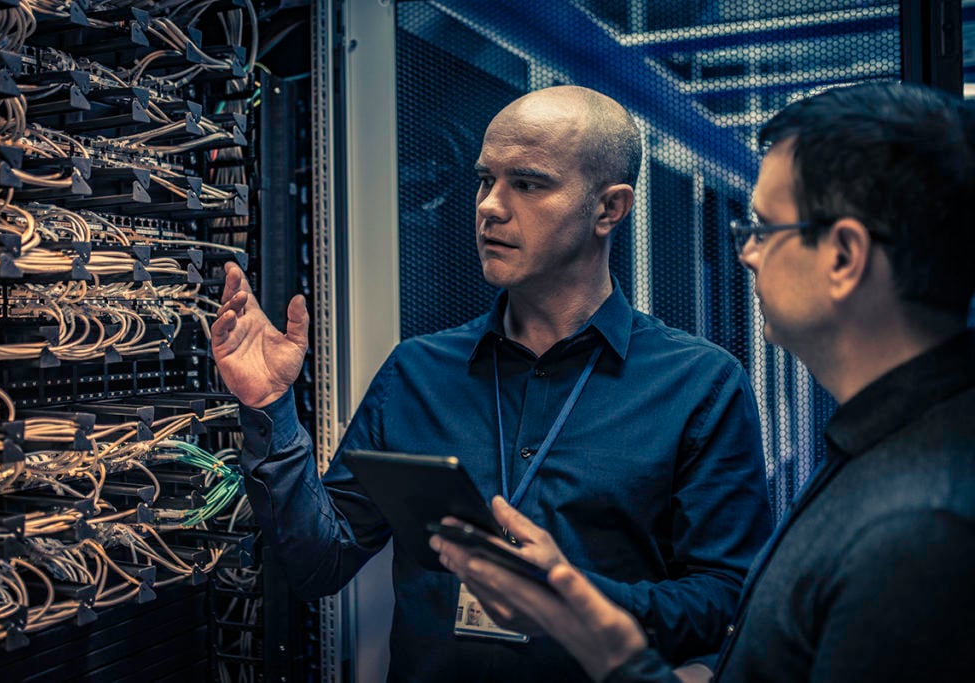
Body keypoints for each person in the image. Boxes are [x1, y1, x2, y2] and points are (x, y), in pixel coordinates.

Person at [211, 85, 772, 681]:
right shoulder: (417, 371)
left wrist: (570, 597)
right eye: (485, 180)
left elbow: (729, 603)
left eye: (527, 184)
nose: (488, 207)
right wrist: (270, 406)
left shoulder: (700, 386)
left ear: (609, 208)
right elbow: (321, 562)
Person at [431, 80, 975, 682]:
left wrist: (616, 654)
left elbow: (726, 596)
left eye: (765, 230)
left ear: (844, 257)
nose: (746, 254)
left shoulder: (918, 528)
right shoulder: (891, 456)